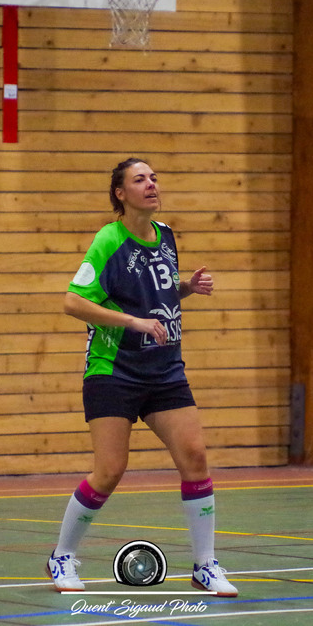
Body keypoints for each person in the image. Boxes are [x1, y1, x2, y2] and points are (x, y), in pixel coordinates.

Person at [45, 157, 238, 597]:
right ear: (121, 193)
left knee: (195, 457)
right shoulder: (109, 240)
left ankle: (205, 565)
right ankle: (62, 556)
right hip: (114, 371)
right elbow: (73, 302)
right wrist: (133, 322)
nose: (151, 184)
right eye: (140, 179)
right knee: (109, 471)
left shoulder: (166, 235)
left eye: (153, 178)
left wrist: (187, 288)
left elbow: (157, 292)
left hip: (165, 370)